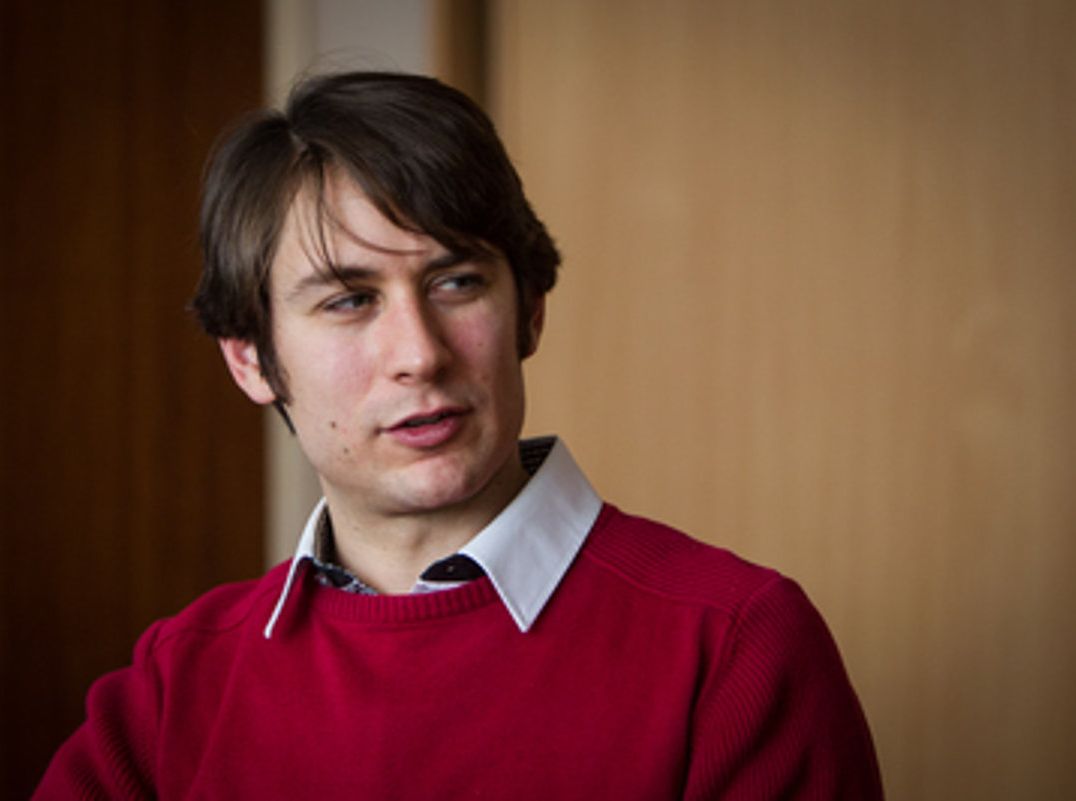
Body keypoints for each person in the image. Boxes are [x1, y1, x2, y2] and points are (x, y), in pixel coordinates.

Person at [35, 72, 883, 800]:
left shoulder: (735, 644)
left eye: (457, 281)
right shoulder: (172, 685)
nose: (420, 353)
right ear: (250, 358)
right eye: (349, 300)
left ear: (530, 310)